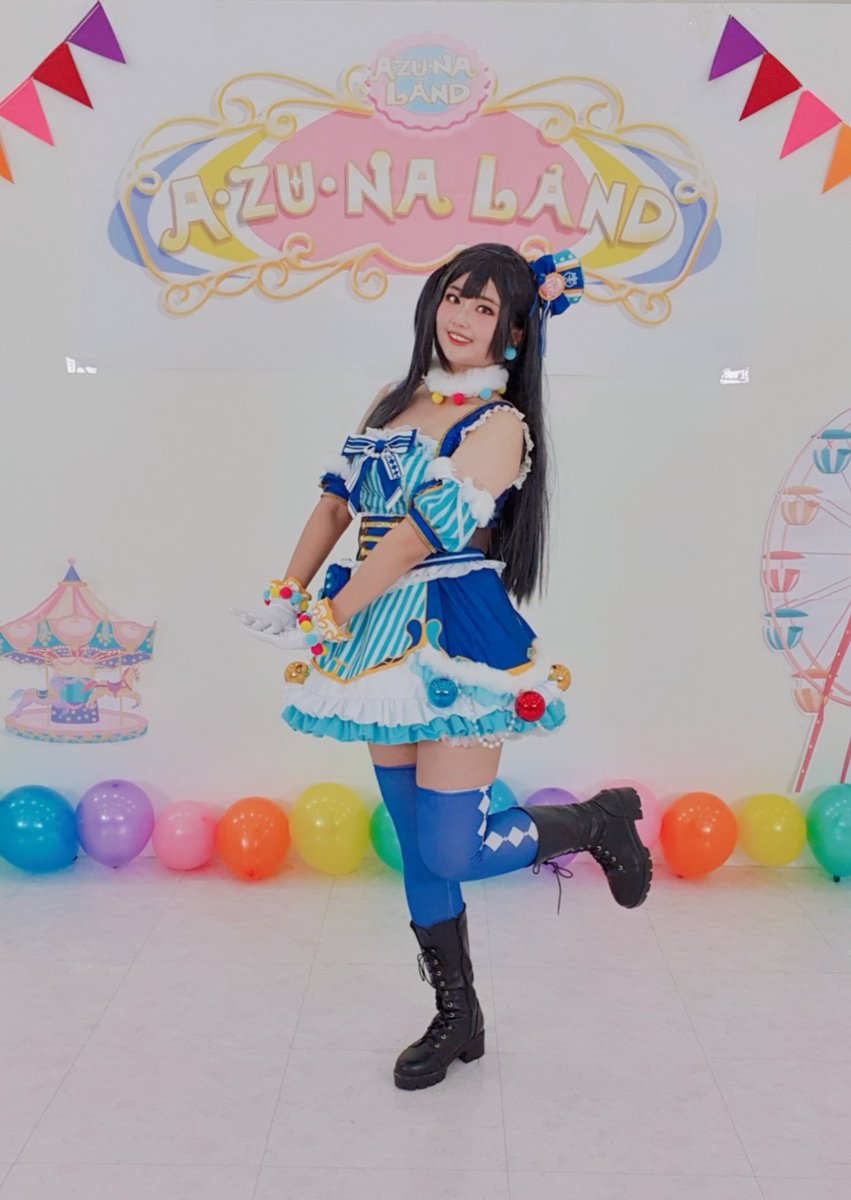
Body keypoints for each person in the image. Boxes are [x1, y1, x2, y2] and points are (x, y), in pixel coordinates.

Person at [236, 242, 652, 1091]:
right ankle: (456, 1014)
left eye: (484, 308)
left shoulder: (499, 427)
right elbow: (334, 508)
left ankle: (594, 822)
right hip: (375, 637)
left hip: (454, 636)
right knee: (417, 848)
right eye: (455, 297)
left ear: (514, 333)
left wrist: (329, 616)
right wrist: (288, 593)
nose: (460, 318)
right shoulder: (392, 402)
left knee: (454, 847)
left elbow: (417, 538)